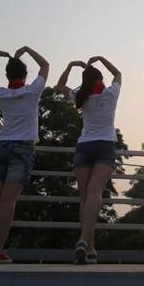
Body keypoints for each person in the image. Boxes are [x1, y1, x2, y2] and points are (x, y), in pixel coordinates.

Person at [0, 46, 49, 264]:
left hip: (0, 145)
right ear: (25, 74)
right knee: (8, 201)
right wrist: (28, 50)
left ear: (7, 75)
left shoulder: (1, 93)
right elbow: (45, 66)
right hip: (22, 148)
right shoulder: (32, 91)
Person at [56, 56, 121, 265]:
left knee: (84, 198)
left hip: (84, 146)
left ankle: (90, 248)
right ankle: (85, 241)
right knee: (95, 194)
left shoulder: (80, 97)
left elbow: (59, 86)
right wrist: (101, 59)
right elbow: (118, 74)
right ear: (100, 78)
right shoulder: (110, 94)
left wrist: (69, 66)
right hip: (105, 146)